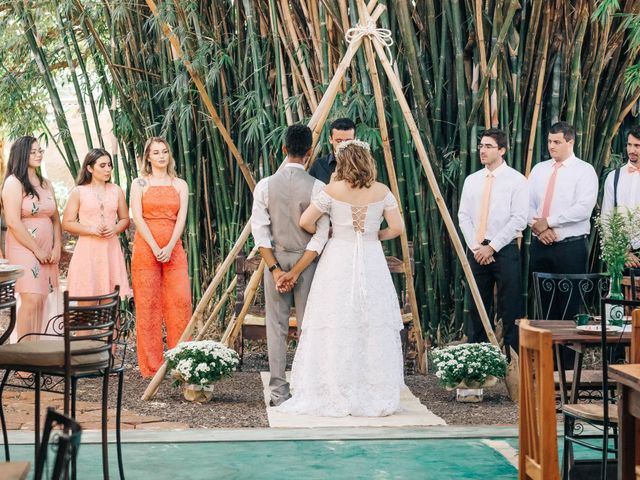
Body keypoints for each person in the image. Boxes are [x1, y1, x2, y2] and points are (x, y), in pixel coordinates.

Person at [275, 139, 405, 417]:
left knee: (334, 317)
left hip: (338, 257)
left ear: (343, 162)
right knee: (370, 319)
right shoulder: (382, 191)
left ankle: (334, 385)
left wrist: (334, 231)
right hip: (370, 258)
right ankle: (371, 387)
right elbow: (397, 227)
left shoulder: (331, 190)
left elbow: (306, 222)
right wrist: (373, 235)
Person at [250, 124, 329, 407]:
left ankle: (278, 391)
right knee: (309, 327)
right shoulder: (319, 187)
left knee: (276, 326)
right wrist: (296, 272)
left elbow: (260, 232)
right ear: (309, 153)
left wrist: (276, 271)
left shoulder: (265, 185)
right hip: (307, 265)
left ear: (283, 150)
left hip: (276, 261)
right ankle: (307, 388)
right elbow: (320, 236)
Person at [458, 129, 528, 353]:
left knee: (510, 306)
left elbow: (519, 219)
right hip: (477, 249)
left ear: (502, 150)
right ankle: (478, 359)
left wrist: (493, 247)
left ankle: (512, 360)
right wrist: (477, 248)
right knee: (478, 305)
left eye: (488, 146)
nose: (483, 150)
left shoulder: (516, 180)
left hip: (504, 249)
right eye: (481, 146)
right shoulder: (472, 180)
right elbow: (464, 216)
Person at [130, 137, 191, 378]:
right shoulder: (139, 183)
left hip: (174, 247)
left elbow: (182, 218)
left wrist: (170, 244)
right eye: (155, 152)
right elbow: (138, 217)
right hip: (146, 248)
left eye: (164, 151)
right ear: (148, 157)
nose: (161, 156)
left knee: (180, 302)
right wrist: (155, 246)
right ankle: (152, 366)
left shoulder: (180, 184)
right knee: (148, 305)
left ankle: (181, 361)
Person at [528, 121, 598, 320]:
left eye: (557, 142)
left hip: (571, 248)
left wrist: (549, 221)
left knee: (570, 307)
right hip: (540, 245)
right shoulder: (539, 169)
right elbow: (526, 204)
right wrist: (540, 230)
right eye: (549, 141)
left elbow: (583, 209)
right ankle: (548, 350)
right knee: (544, 306)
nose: (551, 146)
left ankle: (568, 352)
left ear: (570, 142)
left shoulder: (584, 170)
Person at [2, 136, 61, 341]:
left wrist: (57, 247)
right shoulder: (13, 182)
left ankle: (36, 355)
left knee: (42, 299)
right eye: (33, 151)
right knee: (31, 298)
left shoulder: (46, 183)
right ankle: (23, 356)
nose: (38, 155)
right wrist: (37, 250)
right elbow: (12, 222)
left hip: (47, 248)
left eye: (40, 151)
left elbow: (55, 219)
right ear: (22, 154)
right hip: (24, 247)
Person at [62, 148, 131, 298]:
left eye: (109, 165)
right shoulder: (79, 192)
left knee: (110, 302)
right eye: (102, 165)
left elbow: (125, 219)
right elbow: (67, 223)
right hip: (87, 251)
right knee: (86, 300)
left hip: (110, 249)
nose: (108, 169)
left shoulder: (116, 190)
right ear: (90, 168)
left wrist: (115, 228)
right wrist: (91, 229)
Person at [601, 125, 640, 267]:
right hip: (619, 253)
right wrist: (621, 251)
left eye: (637, 145)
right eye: (629, 145)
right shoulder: (614, 177)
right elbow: (606, 218)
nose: (632, 150)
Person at [308, 118, 356, 184]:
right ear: (330, 139)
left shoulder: (364, 165)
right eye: (339, 141)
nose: (343, 145)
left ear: (355, 140)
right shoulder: (319, 165)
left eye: (348, 141)